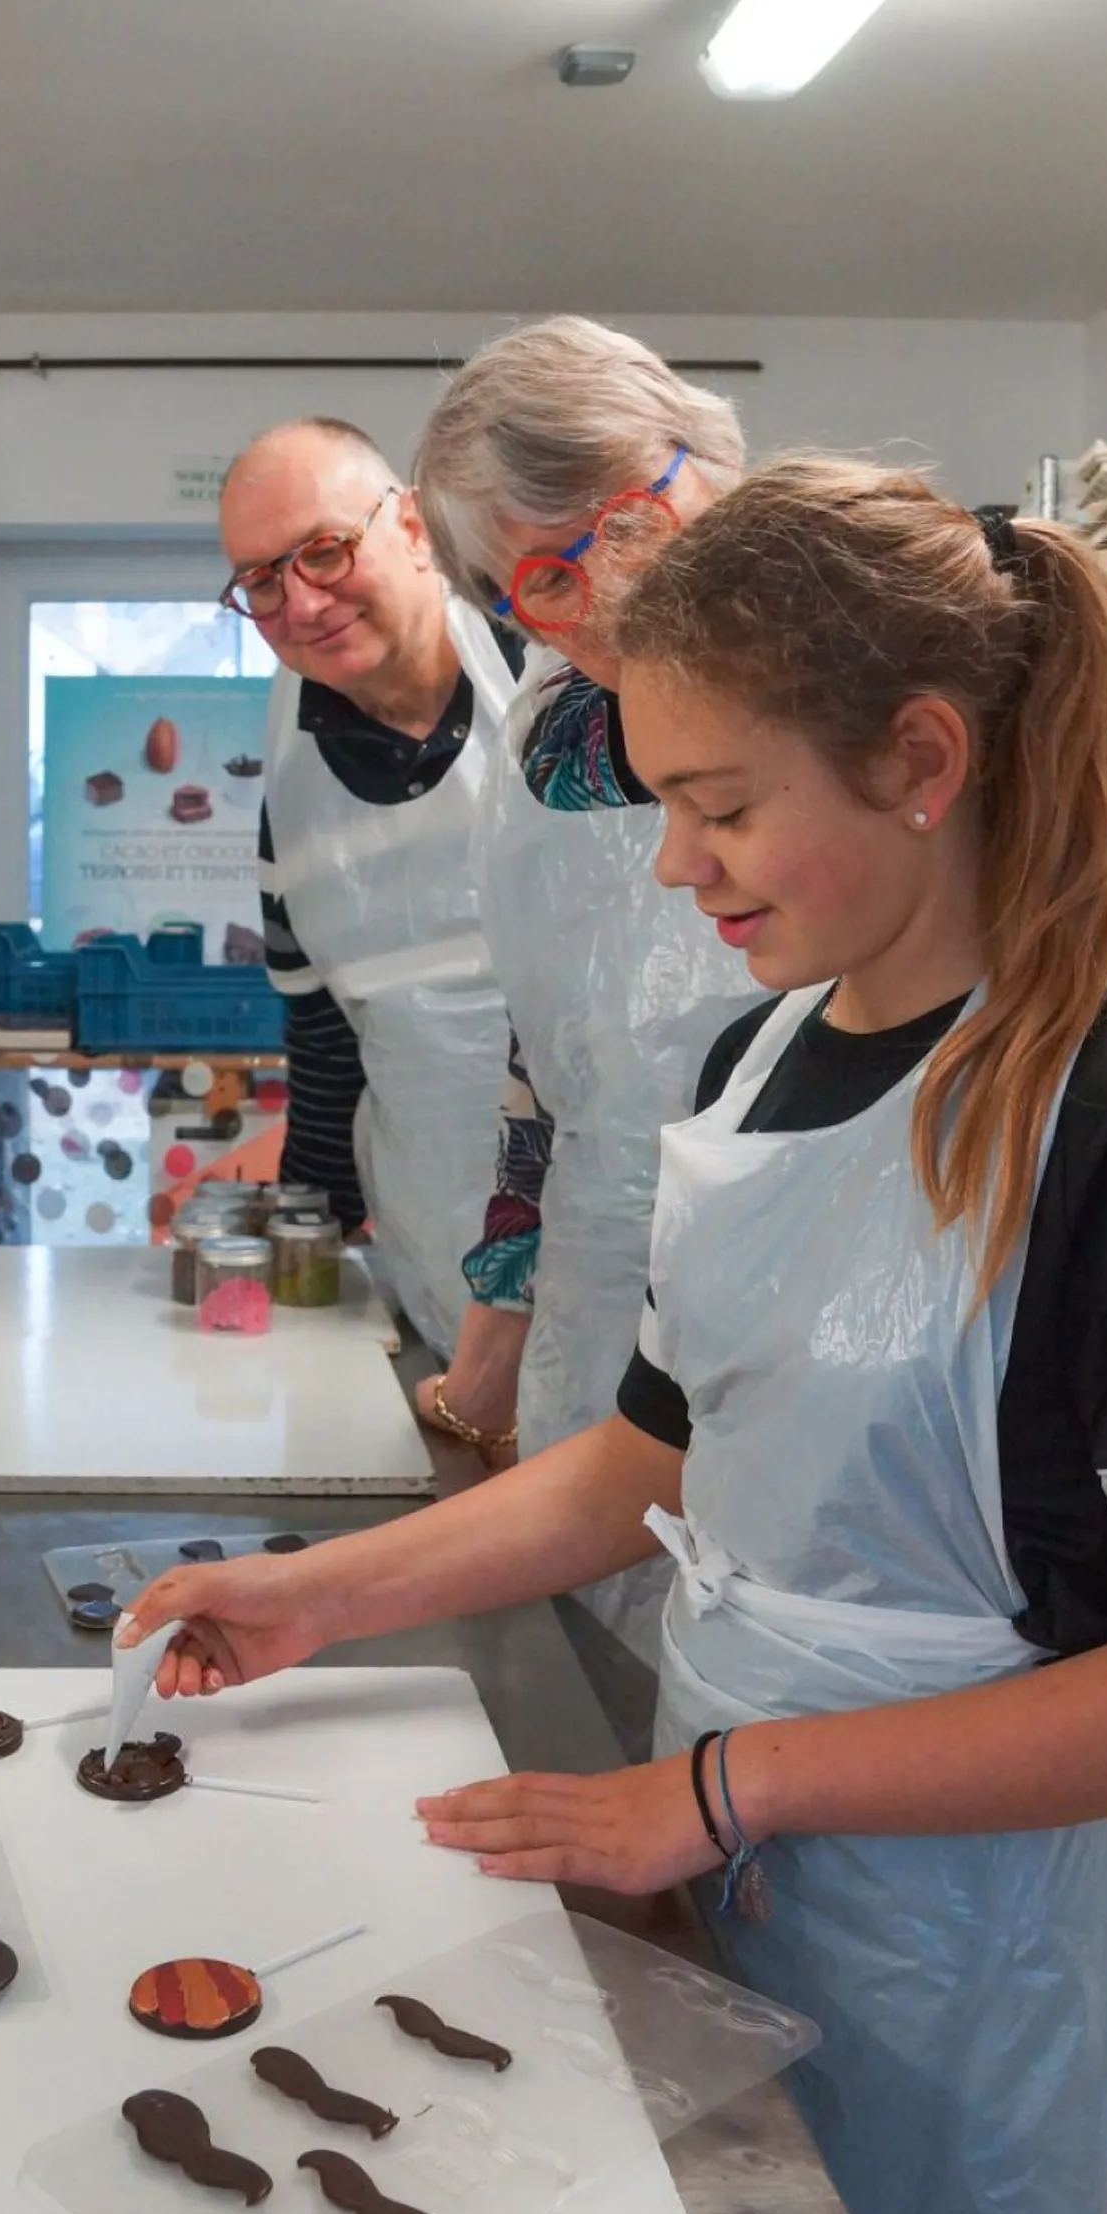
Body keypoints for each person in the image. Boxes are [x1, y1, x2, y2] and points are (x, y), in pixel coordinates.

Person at [124, 461, 1107, 2214]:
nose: (677, 871)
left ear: (921, 759)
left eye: (720, 807)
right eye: (661, 806)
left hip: (986, 1957)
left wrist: (715, 1791)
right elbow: (652, 1457)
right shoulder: (755, 1068)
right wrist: (320, 1598)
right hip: (737, 1863)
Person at [411, 321, 760, 1683]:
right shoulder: (551, 731)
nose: (590, 607)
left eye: (612, 535)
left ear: (701, 461)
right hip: (605, 1313)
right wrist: (499, 1316)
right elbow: (541, 1048)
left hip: (872, 1327)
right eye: (533, 587)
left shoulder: (873, 656)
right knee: (606, 1705)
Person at [220, 418, 517, 1359]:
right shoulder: (289, 781)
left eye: (325, 551)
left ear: (417, 528)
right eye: (261, 580)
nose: (300, 602)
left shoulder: (560, 675)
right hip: (437, 1263)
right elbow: (325, 1032)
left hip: (640, 1255)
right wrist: (312, 1218)